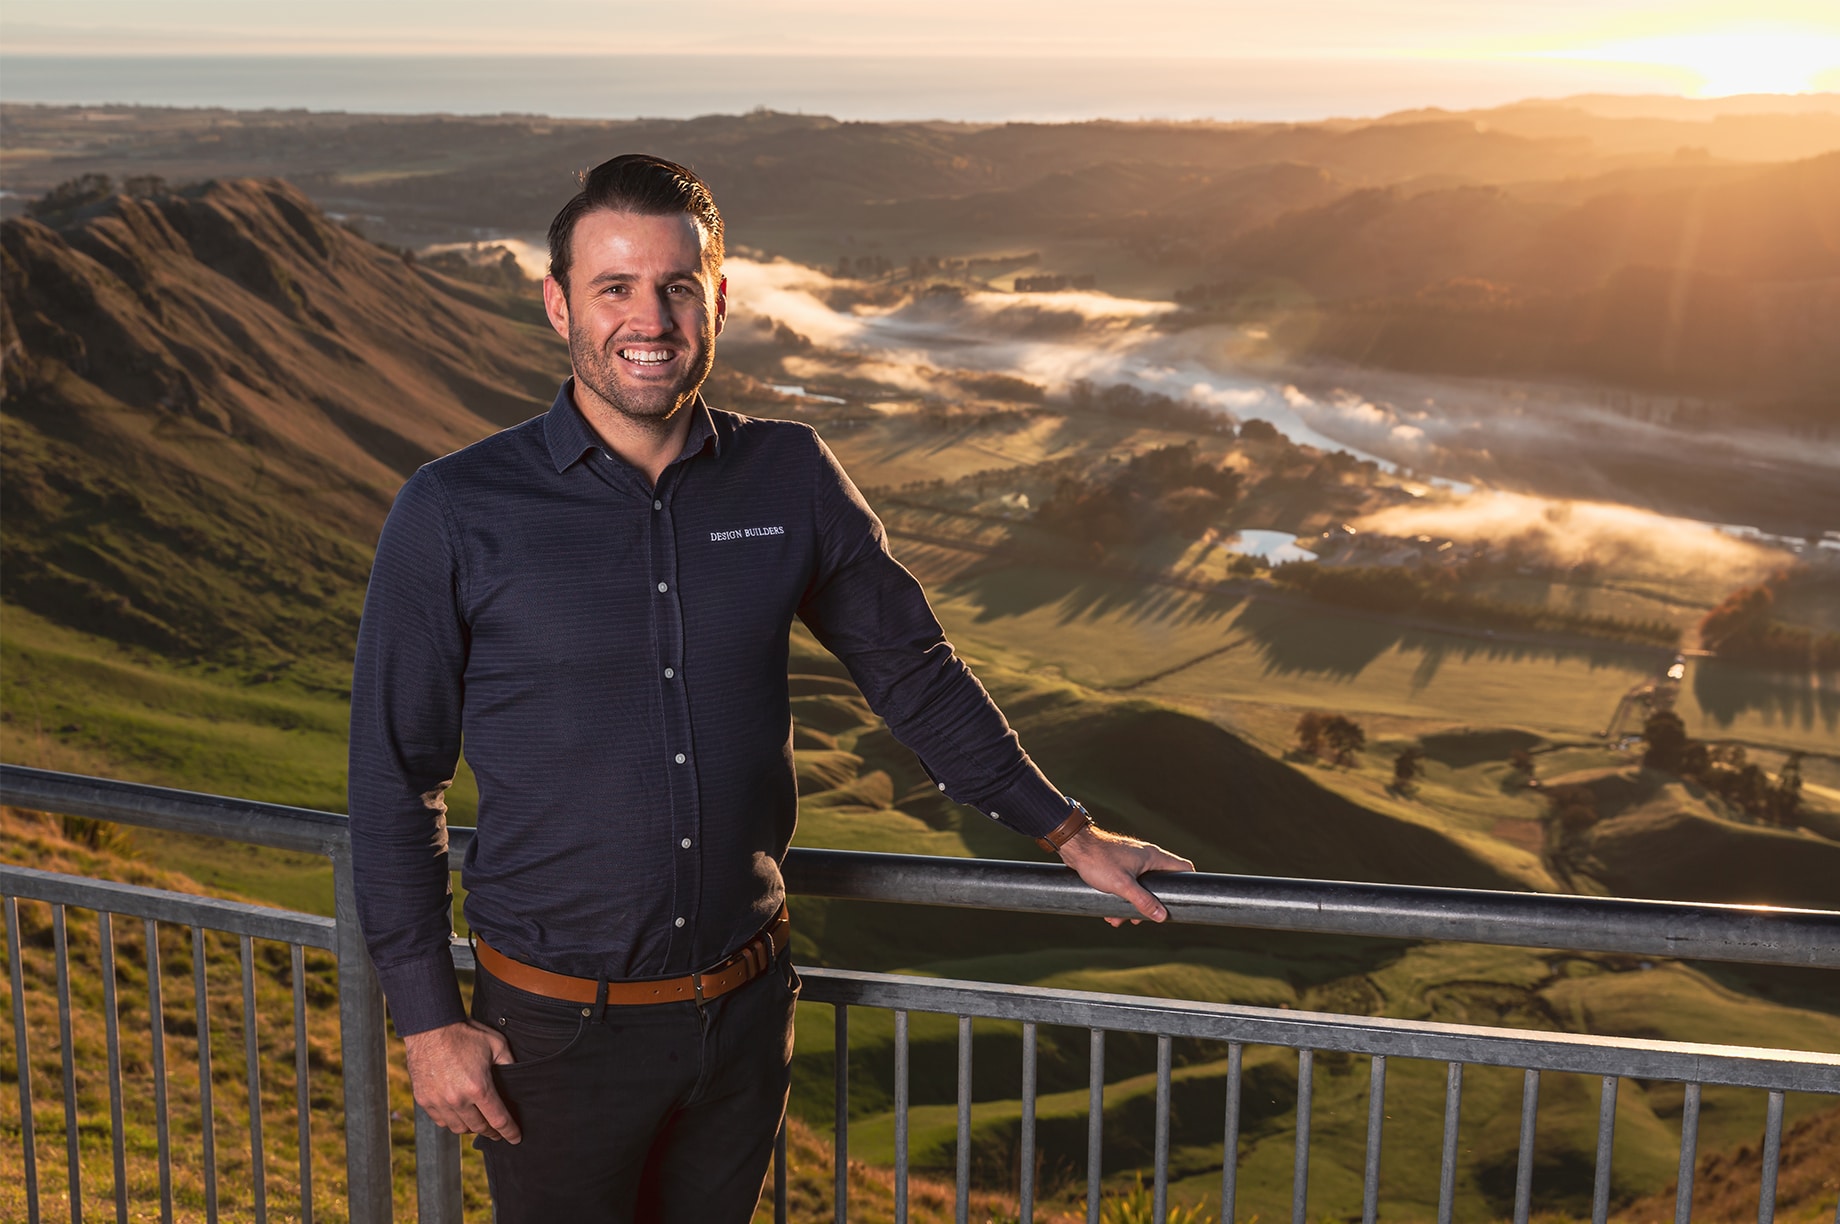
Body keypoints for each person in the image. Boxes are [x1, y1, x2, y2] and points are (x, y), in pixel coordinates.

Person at [347, 153, 1194, 1224]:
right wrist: (428, 1020)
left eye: (677, 287)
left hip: (747, 1016)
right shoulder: (454, 509)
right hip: (555, 1038)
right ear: (559, 303)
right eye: (614, 288)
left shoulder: (790, 475)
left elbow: (913, 674)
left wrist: (1068, 835)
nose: (648, 318)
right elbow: (393, 778)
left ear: (720, 300)